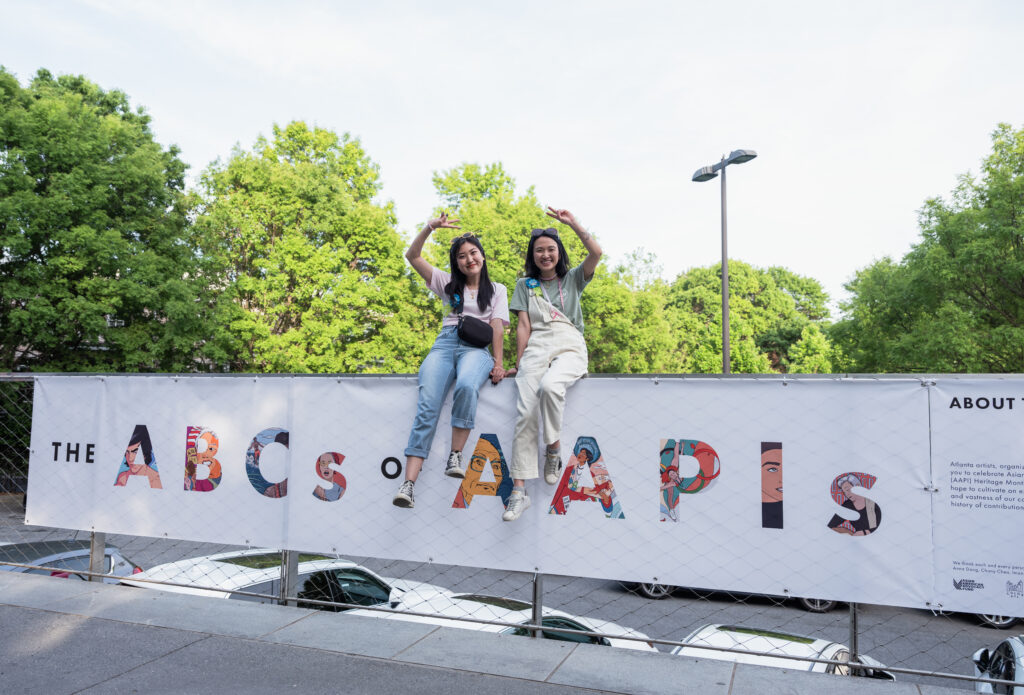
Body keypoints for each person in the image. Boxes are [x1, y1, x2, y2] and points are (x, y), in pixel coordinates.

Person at [393, 213, 510, 508]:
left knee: (467, 386)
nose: (469, 259)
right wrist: (430, 226)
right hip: (445, 344)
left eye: (473, 252)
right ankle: (408, 485)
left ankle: (455, 455)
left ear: (482, 256)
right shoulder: (446, 284)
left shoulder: (497, 290)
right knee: (427, 407)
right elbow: (412, 255)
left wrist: (498, 362)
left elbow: (497, 327)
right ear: (455, 262)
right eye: (461, 256)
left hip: (475, 349)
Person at [501, 207, 602, 522]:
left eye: (551, 249)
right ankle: (518, 492)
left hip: (569, 342)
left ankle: (554, 450)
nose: (545, 255)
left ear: (559, 253)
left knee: (550, 386)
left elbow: (597, 252)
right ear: (533, 255)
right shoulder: (525, 285)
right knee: (525, 412)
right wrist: (519, 362)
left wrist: (572, 223)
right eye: (539, 250)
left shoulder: (573, 279)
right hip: (536, 346)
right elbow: (522, 325)